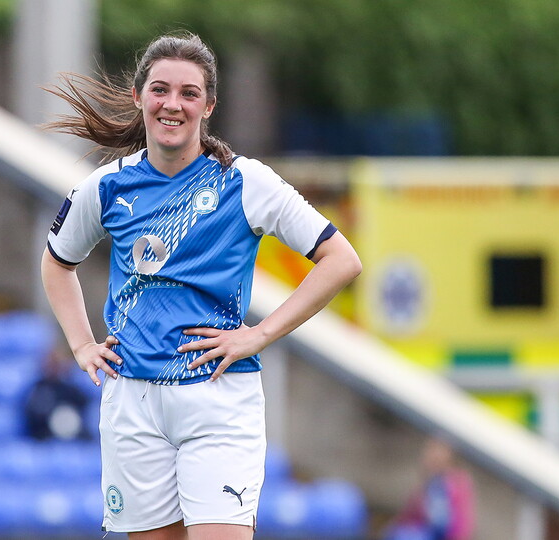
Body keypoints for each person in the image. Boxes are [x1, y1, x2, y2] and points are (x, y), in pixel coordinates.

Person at [40, 31, 361, 540]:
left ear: (209, 105)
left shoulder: (246, 182)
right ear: (139, 97)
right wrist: (81, 344)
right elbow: (57, 262)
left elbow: (341, 260)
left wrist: (257, 335)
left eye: (189, 93)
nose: (173, 104)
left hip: (218, 398)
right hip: (133, 403)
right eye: (161, 90)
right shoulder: (105, 188)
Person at [385, 438, 475, 540]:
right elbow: (406, 517)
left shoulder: (448, 486)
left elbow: (454, 528)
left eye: (435, 456)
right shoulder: (428, 484)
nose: (427, 459)